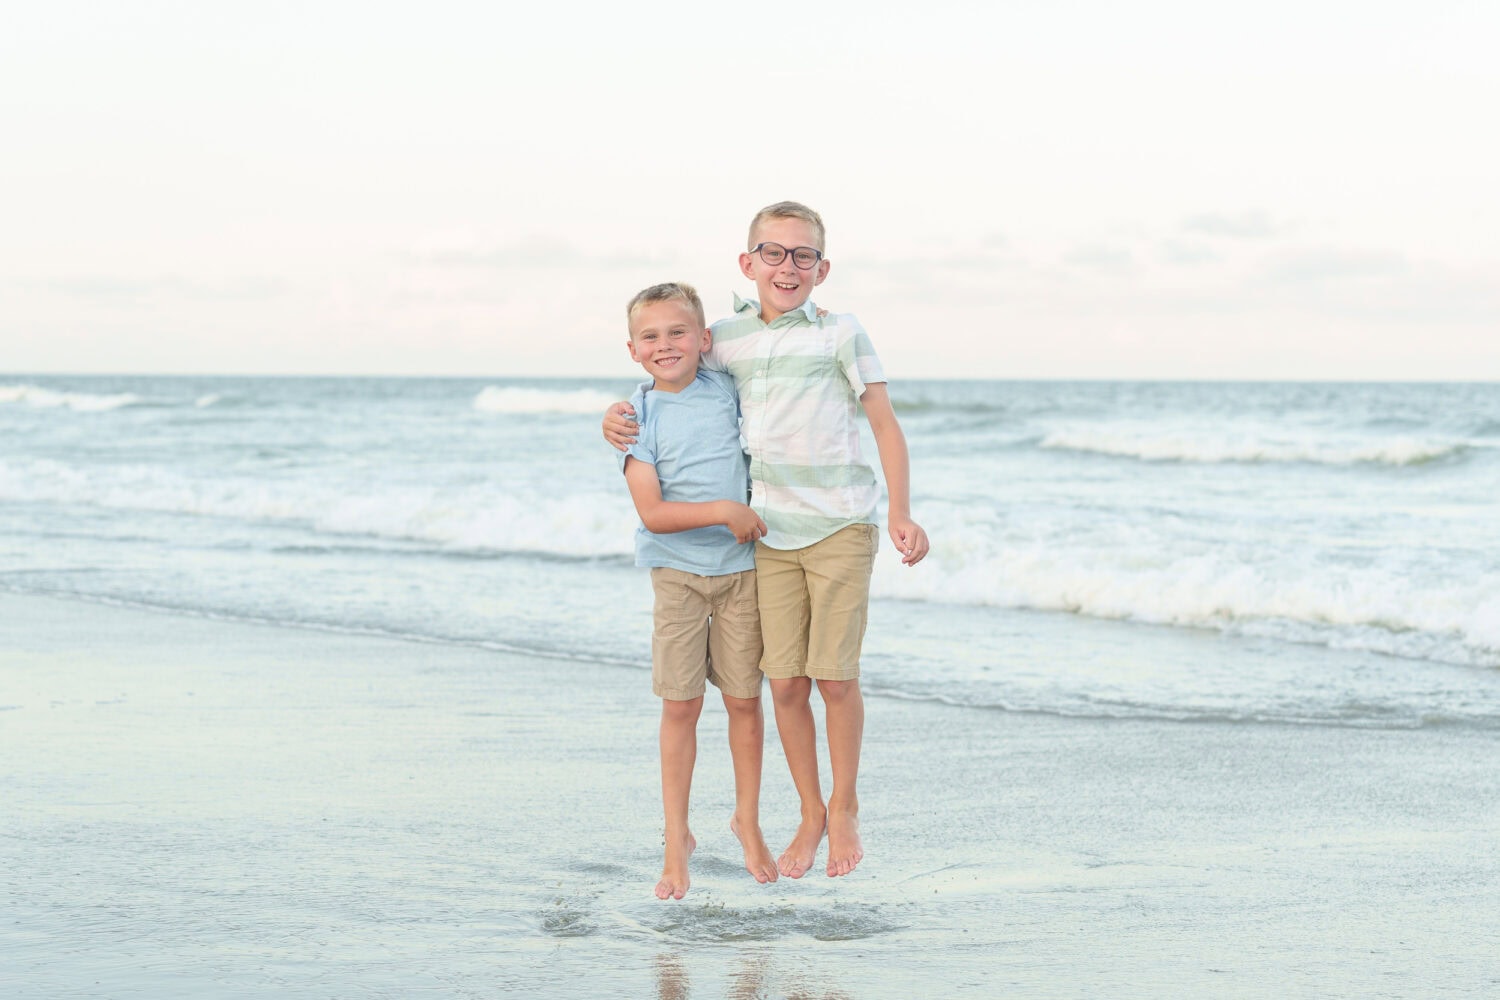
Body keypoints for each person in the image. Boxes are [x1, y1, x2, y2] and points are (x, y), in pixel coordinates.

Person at [605, 203, 929, 880]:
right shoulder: (725, 338)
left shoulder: (841, 332)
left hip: (841, 525)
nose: (787, 266)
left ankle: (843, 807)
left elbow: (885, 424)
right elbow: (670, 369)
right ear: (747, 263)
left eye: (801, 254)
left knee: (835, 679)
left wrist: (901, 511)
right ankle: (809, 810)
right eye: (772, 253)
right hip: (772, 538)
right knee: (784, 683)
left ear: (822, 267)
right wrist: (615, 415)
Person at [616, 281, 780, 900]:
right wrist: (723, 511)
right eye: (651, 337)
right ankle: (675, 836)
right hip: (679, 576)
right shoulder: (636, 419)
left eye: (679, 332)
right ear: (632, 349)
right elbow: (653, 514)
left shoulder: (725, 388)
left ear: (704, 340)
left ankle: (747, 819)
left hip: (741, 573)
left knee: (744, 700)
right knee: (681, 705)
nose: (666, 345)